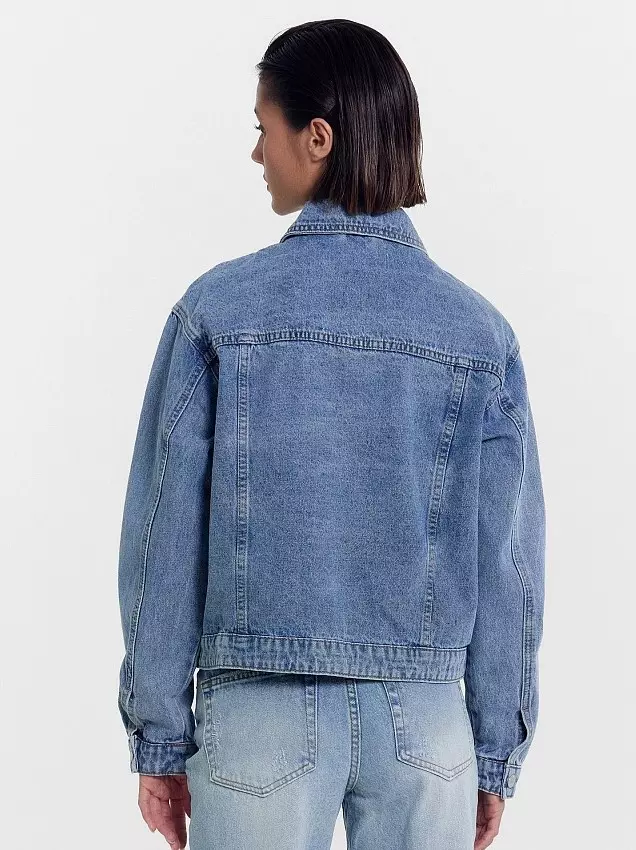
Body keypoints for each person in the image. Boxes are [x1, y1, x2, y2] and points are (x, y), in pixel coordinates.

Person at [117, 18, 546, 850]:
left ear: (317, 137)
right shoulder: (479, 334)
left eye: (263, 128)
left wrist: (160, 735)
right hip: (428, 729)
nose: (256, 153)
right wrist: (495, 751)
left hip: (258, 719)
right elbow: (511, 567)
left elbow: (162, 537)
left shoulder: (217, 311)